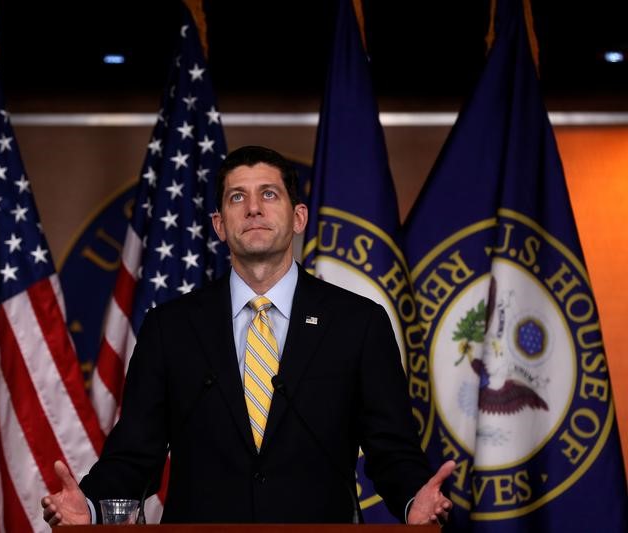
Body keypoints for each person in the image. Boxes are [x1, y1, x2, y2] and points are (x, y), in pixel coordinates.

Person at [42, 145, 453, 526]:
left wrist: (413, 498)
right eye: (237, 197)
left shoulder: (357, 323)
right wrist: (92, 505)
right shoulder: (171, 328)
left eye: (269, 195)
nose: (253, 208)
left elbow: (391, 450)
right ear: (220, 225)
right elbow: (135, 453)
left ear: (298, 218)